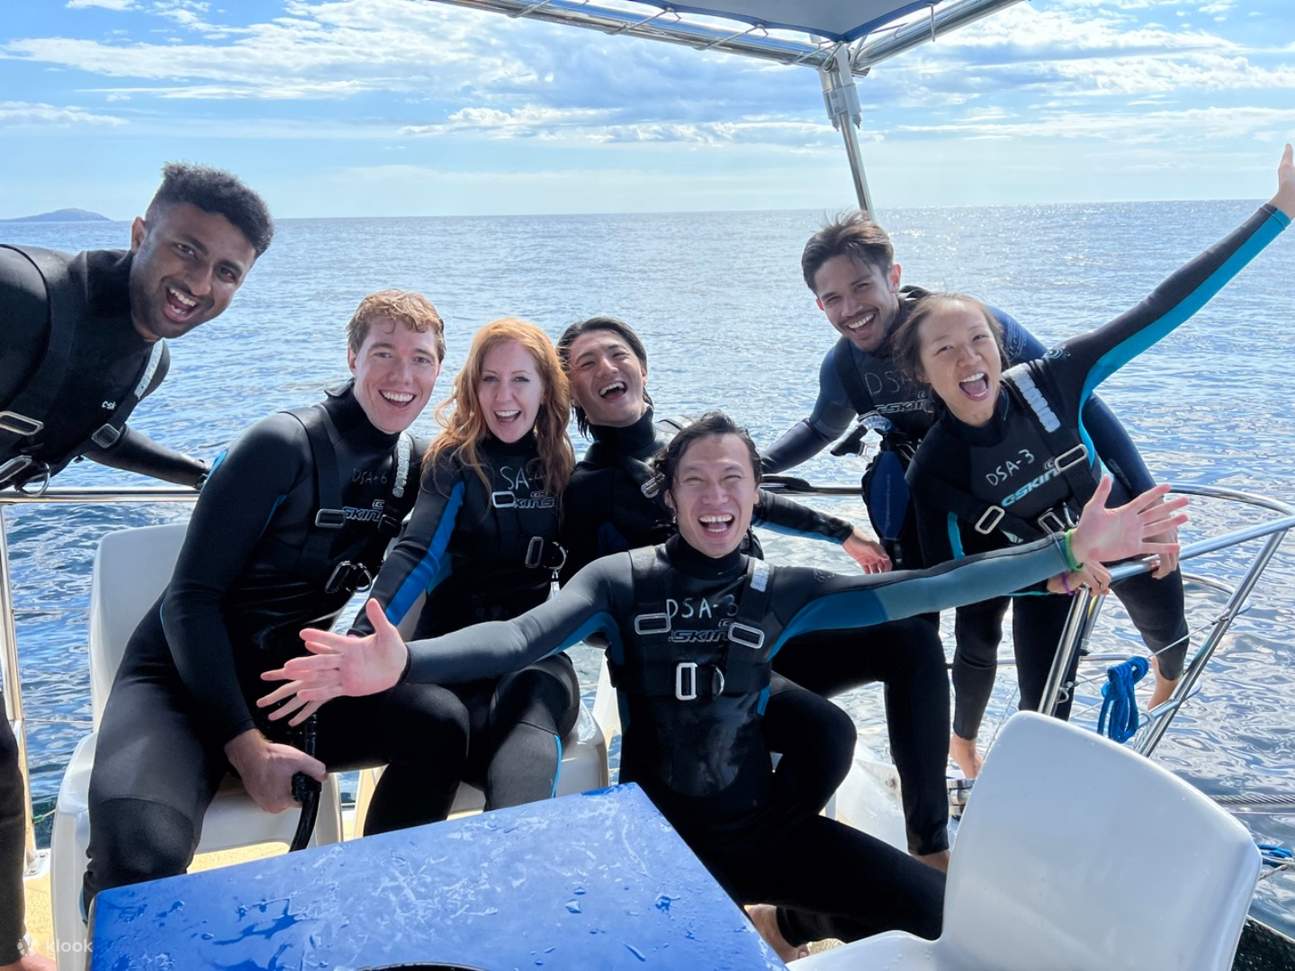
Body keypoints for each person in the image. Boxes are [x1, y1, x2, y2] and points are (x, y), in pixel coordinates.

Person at [260, 412, 1186, 952]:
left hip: (763, 829)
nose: (714, 496)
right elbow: (518, 636)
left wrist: (1062, 550)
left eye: (732, 479)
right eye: (695, 480)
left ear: (753, 493)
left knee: (943, 916)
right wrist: (401, 661)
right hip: (652, 841)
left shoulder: (784, 591)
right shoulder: (616, 582)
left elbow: (930, 585)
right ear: (668, 495)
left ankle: (796, 915)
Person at [892, 145, 1294, 774]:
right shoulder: (934, 469)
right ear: (921, 372)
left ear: (998, 346)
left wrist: (1280, 211)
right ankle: (965, 747)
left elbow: (1161, 307)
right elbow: (953, 580)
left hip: (1124, 539)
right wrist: (1055, 577)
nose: (968, 358)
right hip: (1043, 569)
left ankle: (1149, 723)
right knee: (1038, 704)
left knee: (1173, 641)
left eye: (978, 339)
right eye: (945, 350)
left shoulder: (1053, 380)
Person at [82, 290, 461, 912]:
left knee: (440, 724)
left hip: (287, 685)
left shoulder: (413, 466)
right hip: (179, 684)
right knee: (139, 861)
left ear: (438, 370)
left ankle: (374, 911)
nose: (402, 376)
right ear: (352, 358)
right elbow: (188, 603)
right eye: (383, 353)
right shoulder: (280, 444)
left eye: (420, 359)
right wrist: (244, 744)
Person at [760, 207, 1169, 778]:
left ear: (893, 277)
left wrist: (1144, 501)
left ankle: (1044, 757)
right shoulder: (845, 368)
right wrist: (751, 468)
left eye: (861, 286)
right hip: (941, 514)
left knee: (1051, 636)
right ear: (819, 306)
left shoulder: (965, 329)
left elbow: (1078, 401)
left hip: (1028, 511)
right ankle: (951, 747)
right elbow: (819, 428)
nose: (851, 308)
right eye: (833, 298)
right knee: (960, 637)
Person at [556, 316, 951, 884]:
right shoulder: (586, 489)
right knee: (826, 733)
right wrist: (652, 623)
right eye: (585, 363)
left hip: (770, 636)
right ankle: (754, 868)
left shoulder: (685, 443)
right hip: (699, 672)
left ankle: (929, 842)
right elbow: (586, 611)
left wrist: (840, 532)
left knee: (911, 638)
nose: (606, 368)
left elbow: (754, 502)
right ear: (571, 391)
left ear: (642, 367)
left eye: (617, 354)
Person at [1, 162, 271, 970]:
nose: (200, 283)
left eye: (226, 272)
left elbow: (85, 423)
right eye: (186, 250)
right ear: (138, 233)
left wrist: (200, 473)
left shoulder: (146, 358)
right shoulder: (21, 293)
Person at [344, 317, 580, 813]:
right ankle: (396, 863)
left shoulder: (559, 462)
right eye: (489, 379)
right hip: (451, 652)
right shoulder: (455, 460)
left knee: (532, 705)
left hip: (532, 654)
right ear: (473, 387)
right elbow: (417, 554)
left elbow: (587, 576)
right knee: (442, 728)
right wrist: (361, 640)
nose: (503, 396)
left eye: (520, 379)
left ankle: (511, 851)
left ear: (545, 389)